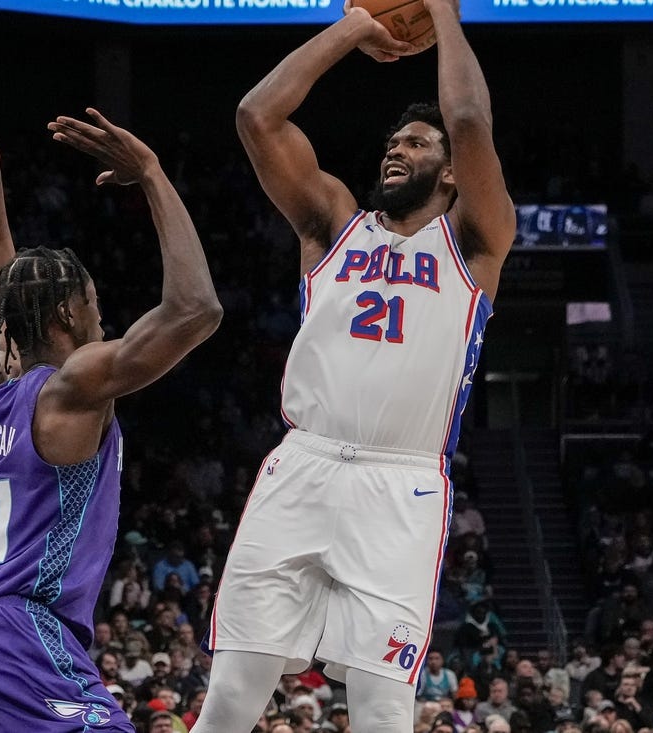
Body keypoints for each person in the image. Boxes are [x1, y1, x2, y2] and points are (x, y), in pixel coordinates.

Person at [194, 0, 517, 730]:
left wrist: (441, 9)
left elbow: (468, 122)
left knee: (378, 706)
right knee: (233, 694)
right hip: (302, 463)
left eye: (415, 143)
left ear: (451, 176)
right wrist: (352, 30)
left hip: (397, 483)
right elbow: (256, 117)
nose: (395, 150)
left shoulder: (474, 242)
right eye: (392, 140)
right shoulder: (334, 221)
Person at [0, 108, 221, 733]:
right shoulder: (75, 386)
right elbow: (196, 310)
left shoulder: (0, 381)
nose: (101, 319)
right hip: (24, 630)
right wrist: (153, 173)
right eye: (94, 305)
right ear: (67, 319)